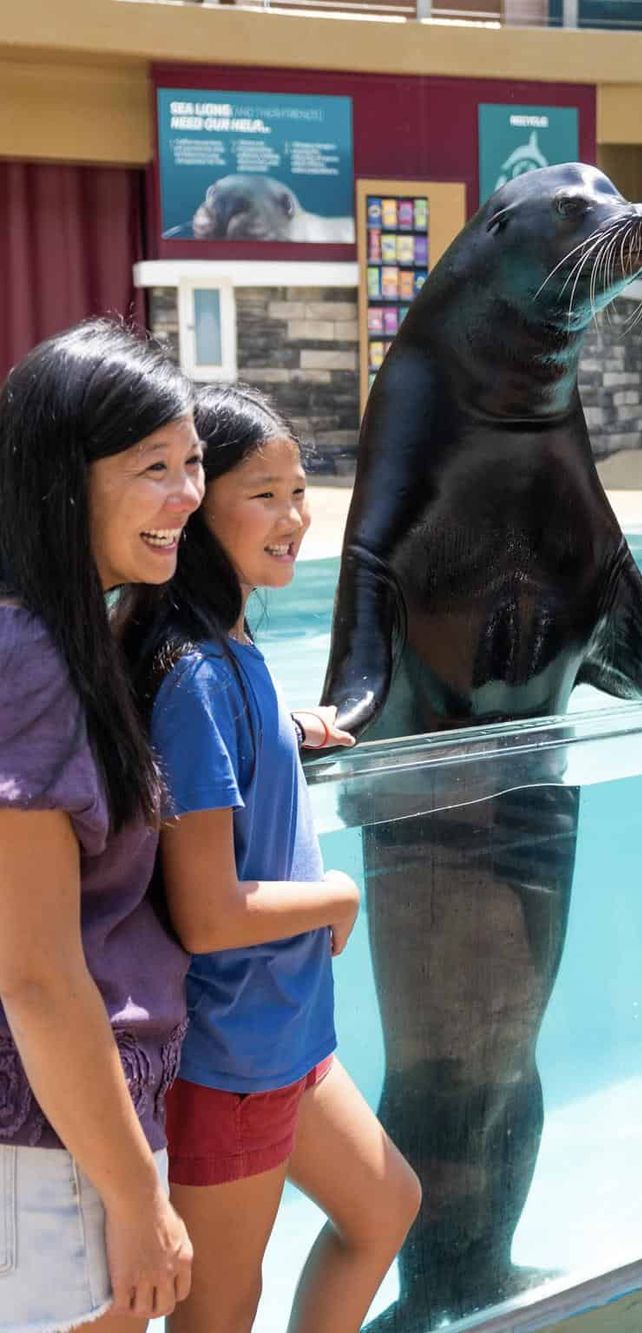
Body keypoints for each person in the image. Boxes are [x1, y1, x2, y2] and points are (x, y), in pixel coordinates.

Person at [116, 384, 421, 1333]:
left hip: (284, 1036)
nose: (294, 517)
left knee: (385, 1206)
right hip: (232, 1052)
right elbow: (209, 913)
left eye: (299, 491)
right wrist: (333, 896)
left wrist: (288, 729)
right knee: (220, 1309)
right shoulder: (196, 674)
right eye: (263, 495)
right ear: (198, 510)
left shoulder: (226, 649)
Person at [0, 320, 203, 1331]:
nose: (188, 494)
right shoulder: (31, 656)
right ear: (61, 480)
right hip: (54, 1146)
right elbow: (36, 975)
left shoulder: (59, 632)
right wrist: (136, 1198)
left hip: (68, 1126)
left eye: (192, 462)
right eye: (153, 467)